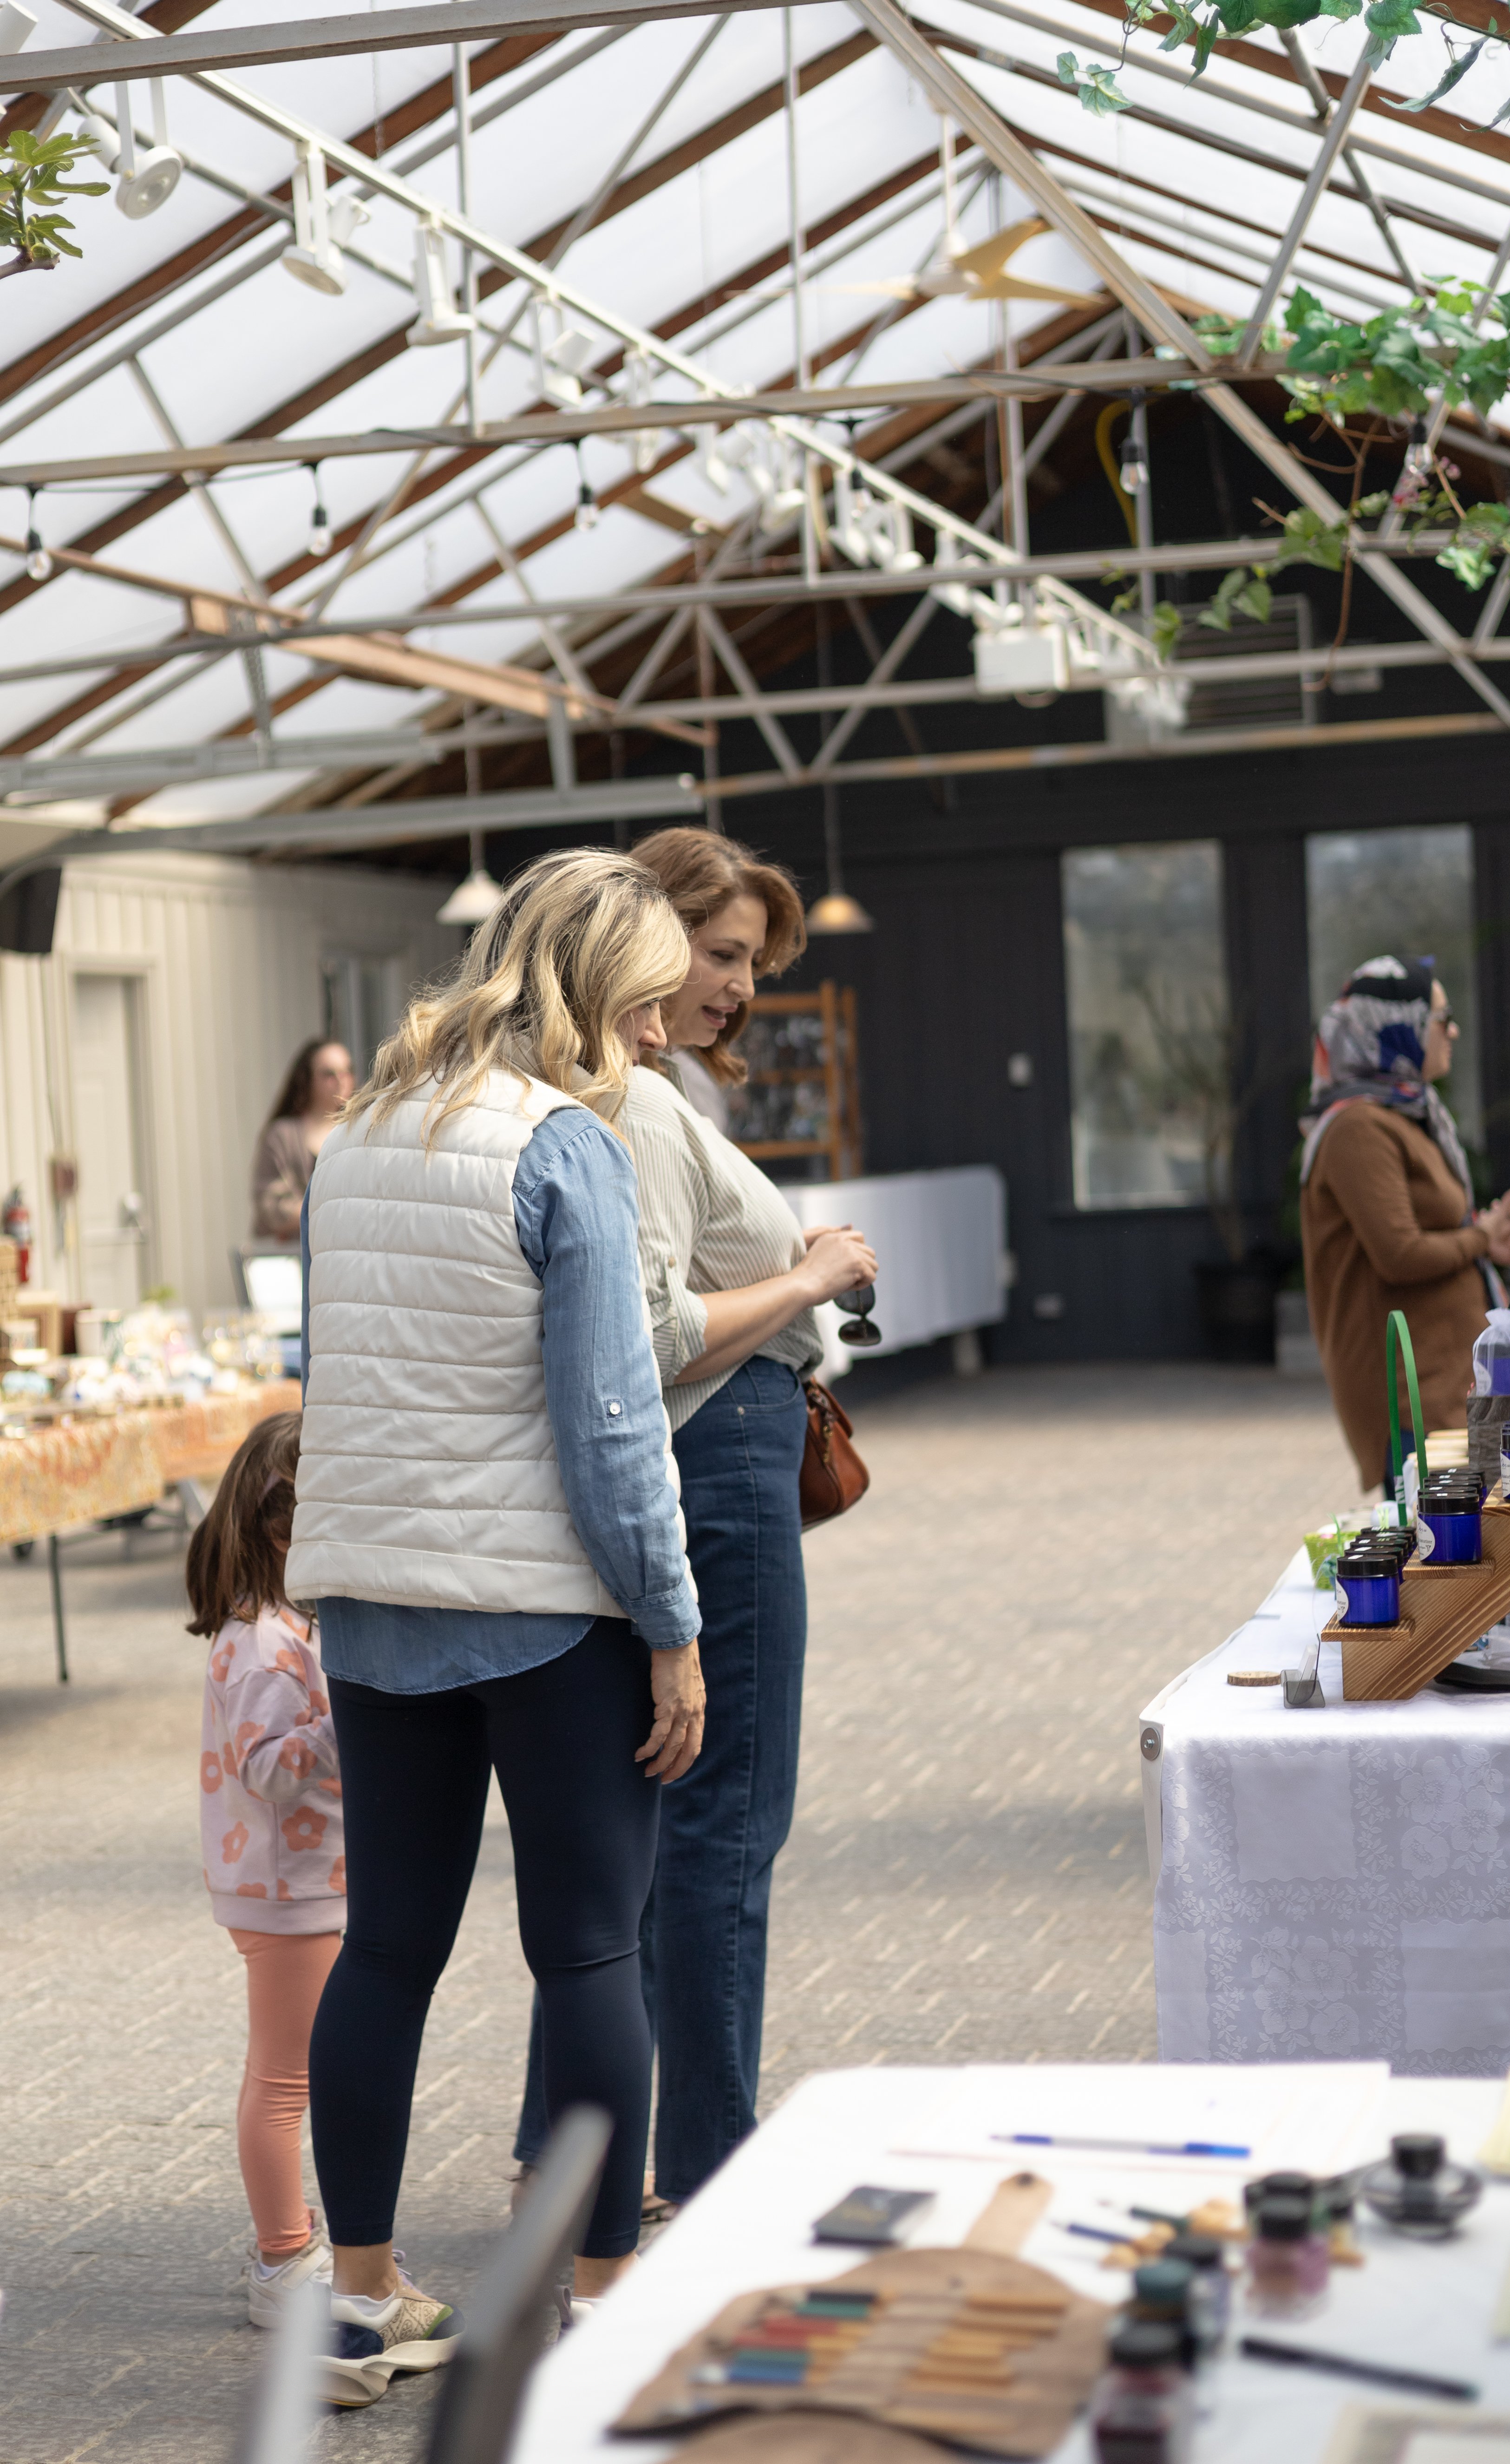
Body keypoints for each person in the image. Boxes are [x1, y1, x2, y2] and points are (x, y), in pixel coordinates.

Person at [284, 848, 706, 2410]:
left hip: (378, 1609)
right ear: (590, 991)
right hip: (546, 1615)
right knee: (589, 1946)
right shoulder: (562, 1149)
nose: (661, 1038)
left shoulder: (352, 1140)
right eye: (650, 1004)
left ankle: (355, 2297)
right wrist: (671, 1625)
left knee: (383, 1945)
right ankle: (601, 2303)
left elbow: (338, 1375)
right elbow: (611, 1429)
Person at [510, 826, 876, 2217]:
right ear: (639, 934)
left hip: (693, 1459)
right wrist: (812, 1277)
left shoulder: (602, 1093)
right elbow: (654, 1337)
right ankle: (709, 2162)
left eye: (750, 963)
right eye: (719, 953)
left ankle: (570, 2143)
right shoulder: (637, 1107)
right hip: (714, 1455)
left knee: (637, 1828)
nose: (735, 985)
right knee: (725, 1820)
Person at [187, 1409, 344, 2328]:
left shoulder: (278, 1625)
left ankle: (293, 2238)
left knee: (291, 2074)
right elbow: (272, 1770)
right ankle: (284, 2260)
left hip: (291, 1883)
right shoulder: (265, 1643)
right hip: (286, 1889)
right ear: (287, 1527)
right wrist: (349, 1722)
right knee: (285, 2080)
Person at [1300, 953, 1510, 1494]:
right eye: (1440, 1018)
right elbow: (1399, 1253)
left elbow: (1421, 1229)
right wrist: (1479, 1237)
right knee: (1443, 1565)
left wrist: (1486, 1234)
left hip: (1442, 1385)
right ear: (1395, 1028)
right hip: (1414, 1398)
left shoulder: (1403, 1111)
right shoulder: (1359, 1126)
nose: (1452, 1030)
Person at [251, 1039, 355, 1240]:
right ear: (307, 1080)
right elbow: (272, 1207)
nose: (341, 1081)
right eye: (329, 1074)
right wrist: (332, 1212)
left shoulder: (358, 1132)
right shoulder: (283, 1136)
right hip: (293, 1255)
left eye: (346, 1072)